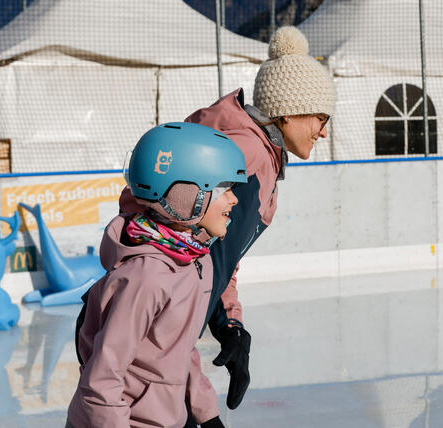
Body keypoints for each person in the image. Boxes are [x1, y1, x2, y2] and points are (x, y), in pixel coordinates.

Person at [118, 25, 335, 427]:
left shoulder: (265, 158)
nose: (324, 131)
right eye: (320, 118)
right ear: (289, 112)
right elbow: (179, 254)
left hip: (170, 355)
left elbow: (219, 254)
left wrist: (229, 322)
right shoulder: (249, 154)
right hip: (150, 360)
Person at [67, 122, 247, 428]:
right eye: (223, 189)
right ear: (187, 195)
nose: (234, 199)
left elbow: (179, 350)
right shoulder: (146, 277)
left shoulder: (193, 260)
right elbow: (102, 379)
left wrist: (207, 414)